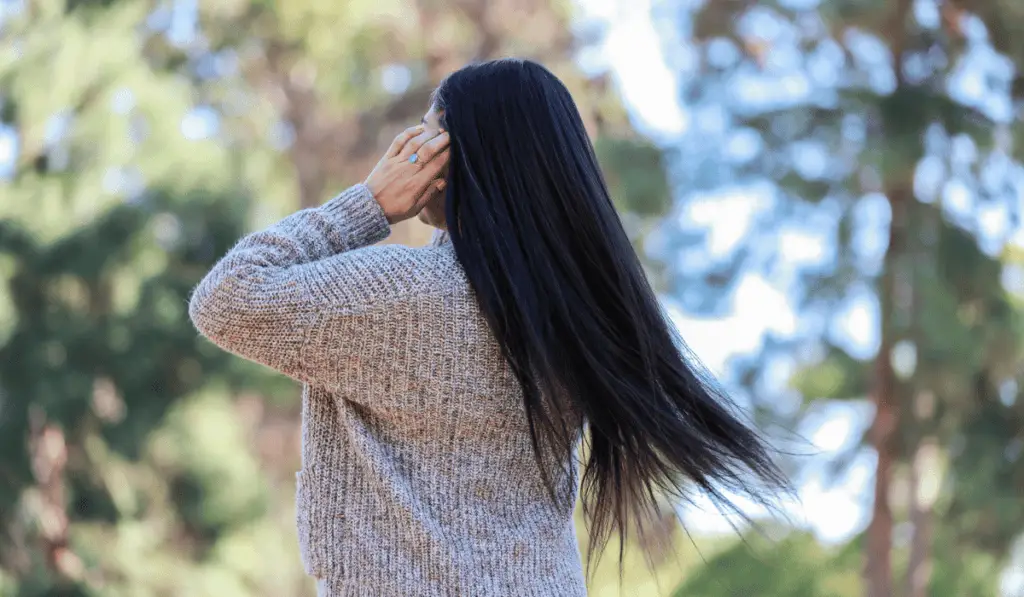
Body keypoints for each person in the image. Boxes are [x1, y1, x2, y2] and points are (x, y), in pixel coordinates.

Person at [188, 58, 788, 596]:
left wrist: (368, 203)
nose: (411, 148)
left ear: (454, 155)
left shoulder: (406, 296)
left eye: (427, 132)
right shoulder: (569, 315)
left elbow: (224, 299)